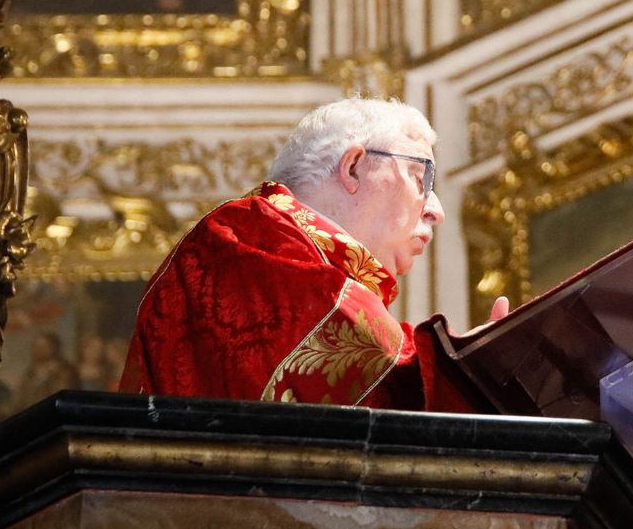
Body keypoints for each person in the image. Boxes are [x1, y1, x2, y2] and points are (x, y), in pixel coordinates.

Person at [119, 97, 507, 408]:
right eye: (422, 178)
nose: (435, 210)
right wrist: (463, 371)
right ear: (354, 167)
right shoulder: (243, 234)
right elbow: (369, 363)